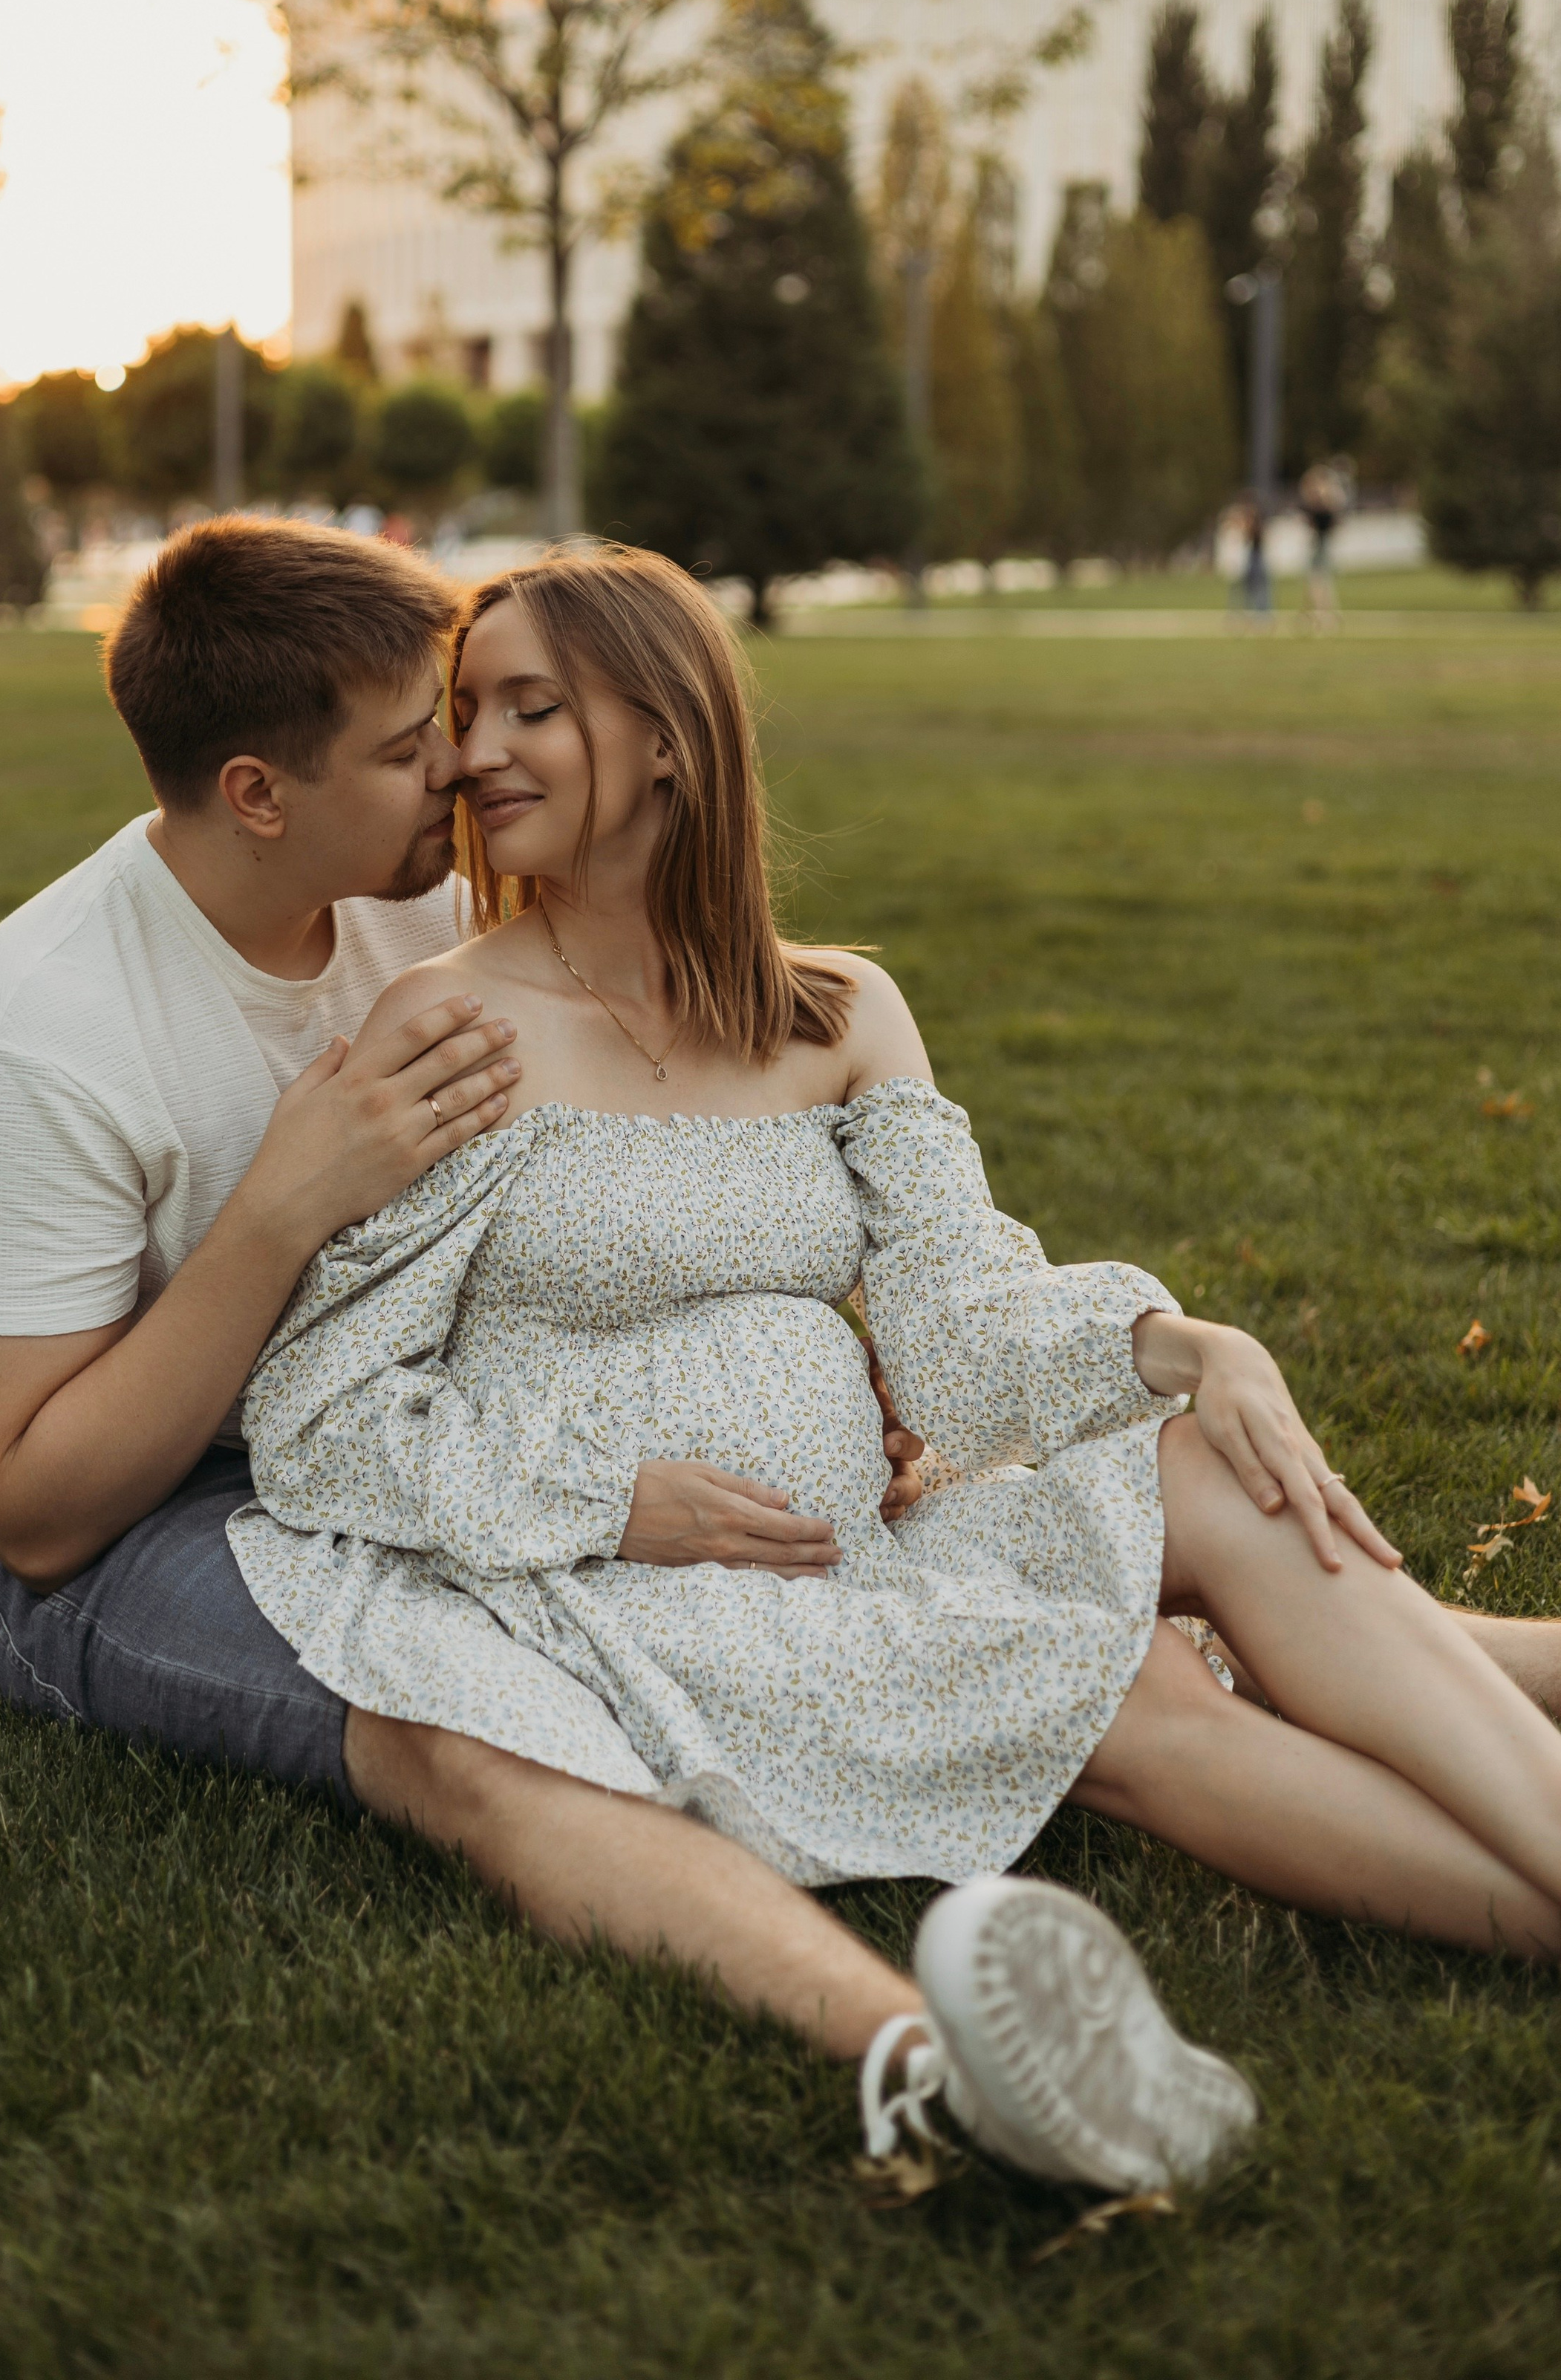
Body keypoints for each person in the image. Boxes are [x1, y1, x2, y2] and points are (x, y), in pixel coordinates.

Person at [0, 516, 1231, 2205]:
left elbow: (647, 1133)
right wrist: (275, 1218)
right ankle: (928, 2059)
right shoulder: (42, 1033)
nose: (460, 768)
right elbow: (30, 1510)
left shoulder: (414, 897)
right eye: (408, 745)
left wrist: (842, 1372)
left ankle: (1491, 1669)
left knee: (1072, 1522)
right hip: (141, 1513)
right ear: (257, 792)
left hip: (403, 1429)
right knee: (480, 1732)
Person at [232, 542, 1561, 2172]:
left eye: (532, 708)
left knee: (1209, 1466)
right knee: (1126, 1688)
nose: (476, 753)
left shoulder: (837, 1010)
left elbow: (953, 1330)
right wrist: (608, 1497)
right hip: (635, 1592)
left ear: (666, 736)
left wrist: (1176, 1343)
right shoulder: (450, 1029)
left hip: (870, 1539)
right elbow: (315, 1416)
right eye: (464, 712)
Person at [1299, 459, 1349, 626]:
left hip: (1322, 542)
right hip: (1318, 542)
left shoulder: (1327, 503)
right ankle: (1317, 613)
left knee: (1320, 580)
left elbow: (1329, 520)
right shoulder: (1316, 503)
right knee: (1316, 581)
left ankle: (1325, 614)